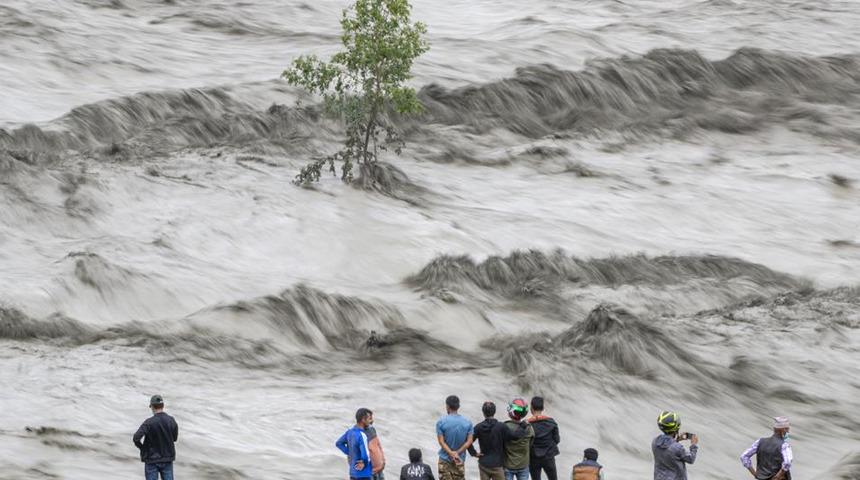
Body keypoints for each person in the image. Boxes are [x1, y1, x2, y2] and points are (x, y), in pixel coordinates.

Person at [468, 401, 529, 480]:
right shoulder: (501, 426)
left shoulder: (478, 427)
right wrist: (523, 426)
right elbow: (515, 436)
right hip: (497, 465)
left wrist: (474, 453)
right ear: (494, 412)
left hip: (484, 464)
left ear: (483, 413)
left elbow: (468, 442)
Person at [133, 394, 179, 480]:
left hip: (151, 460)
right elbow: (174, 438)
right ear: (163, 406)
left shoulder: (148, 422)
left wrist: (143, 448)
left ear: (152, 407)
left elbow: (136, 438)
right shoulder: (171, 420)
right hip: (167, 459)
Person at [436, 395, 474, 480]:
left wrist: (450, 453)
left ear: (447, 406)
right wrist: (457, 453)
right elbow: (469, 441)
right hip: (459, 459)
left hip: (444, 459)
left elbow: (441, 442)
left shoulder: (441, 422)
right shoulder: (467, 422)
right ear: (458, 407)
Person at [652, 411, 698, 480]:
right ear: (676, 428)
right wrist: (693, 445)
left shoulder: (655, 442)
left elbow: (668, 449)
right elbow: (691, 459)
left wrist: (677, 440)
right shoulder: (678, 448)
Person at [528, 397, 560, 480]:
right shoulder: (551, 422)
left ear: (531, 407)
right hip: (549, 457)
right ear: (542, 408)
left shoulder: (527, 424)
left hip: (533, 458)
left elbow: (525, 443)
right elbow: (557, 440)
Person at [337, 408, 374, 479]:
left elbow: (339, 443)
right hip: (363, 474)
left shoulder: (350, 432)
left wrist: (350, 452)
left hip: (353, 473)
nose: (371, 421)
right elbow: (365, 454)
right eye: (369, 419)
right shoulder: (362, 435)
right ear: (363, 419)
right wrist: (365, 462)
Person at [503, 398, 535, 480]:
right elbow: (531, 444)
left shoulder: (504, 426)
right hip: (523, 465)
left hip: (507, 464)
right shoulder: (529, 428)